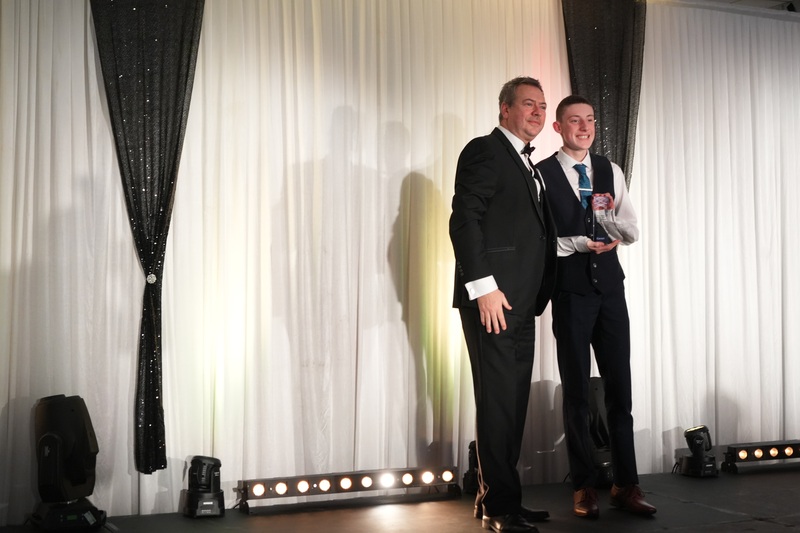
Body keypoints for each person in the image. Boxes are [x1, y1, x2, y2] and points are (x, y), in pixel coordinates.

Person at [535, 95, 656, 519]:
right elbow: (540, 240)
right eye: (575, 120)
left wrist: (614, 231)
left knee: (620, 389)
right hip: (570, 293)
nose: (584, 127)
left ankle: (627, 484)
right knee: (577, 394)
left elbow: (632, 227)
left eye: (589, 120)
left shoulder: (609, 170)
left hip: (610, 293)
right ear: (558, 127)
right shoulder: (541, 174)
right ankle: (584, 486)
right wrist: (579, 243)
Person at [450, 76, 556, 533]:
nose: (536, 112)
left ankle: (497, 498)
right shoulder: (485, 150)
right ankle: (499, 507)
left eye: (542, 106)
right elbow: (464, 219)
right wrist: (483, 287)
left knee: (511, 403)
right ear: (505, 109)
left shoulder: (529, 164)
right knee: (498, 403)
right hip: (492, 300)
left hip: (521, 302)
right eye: (528, 104)